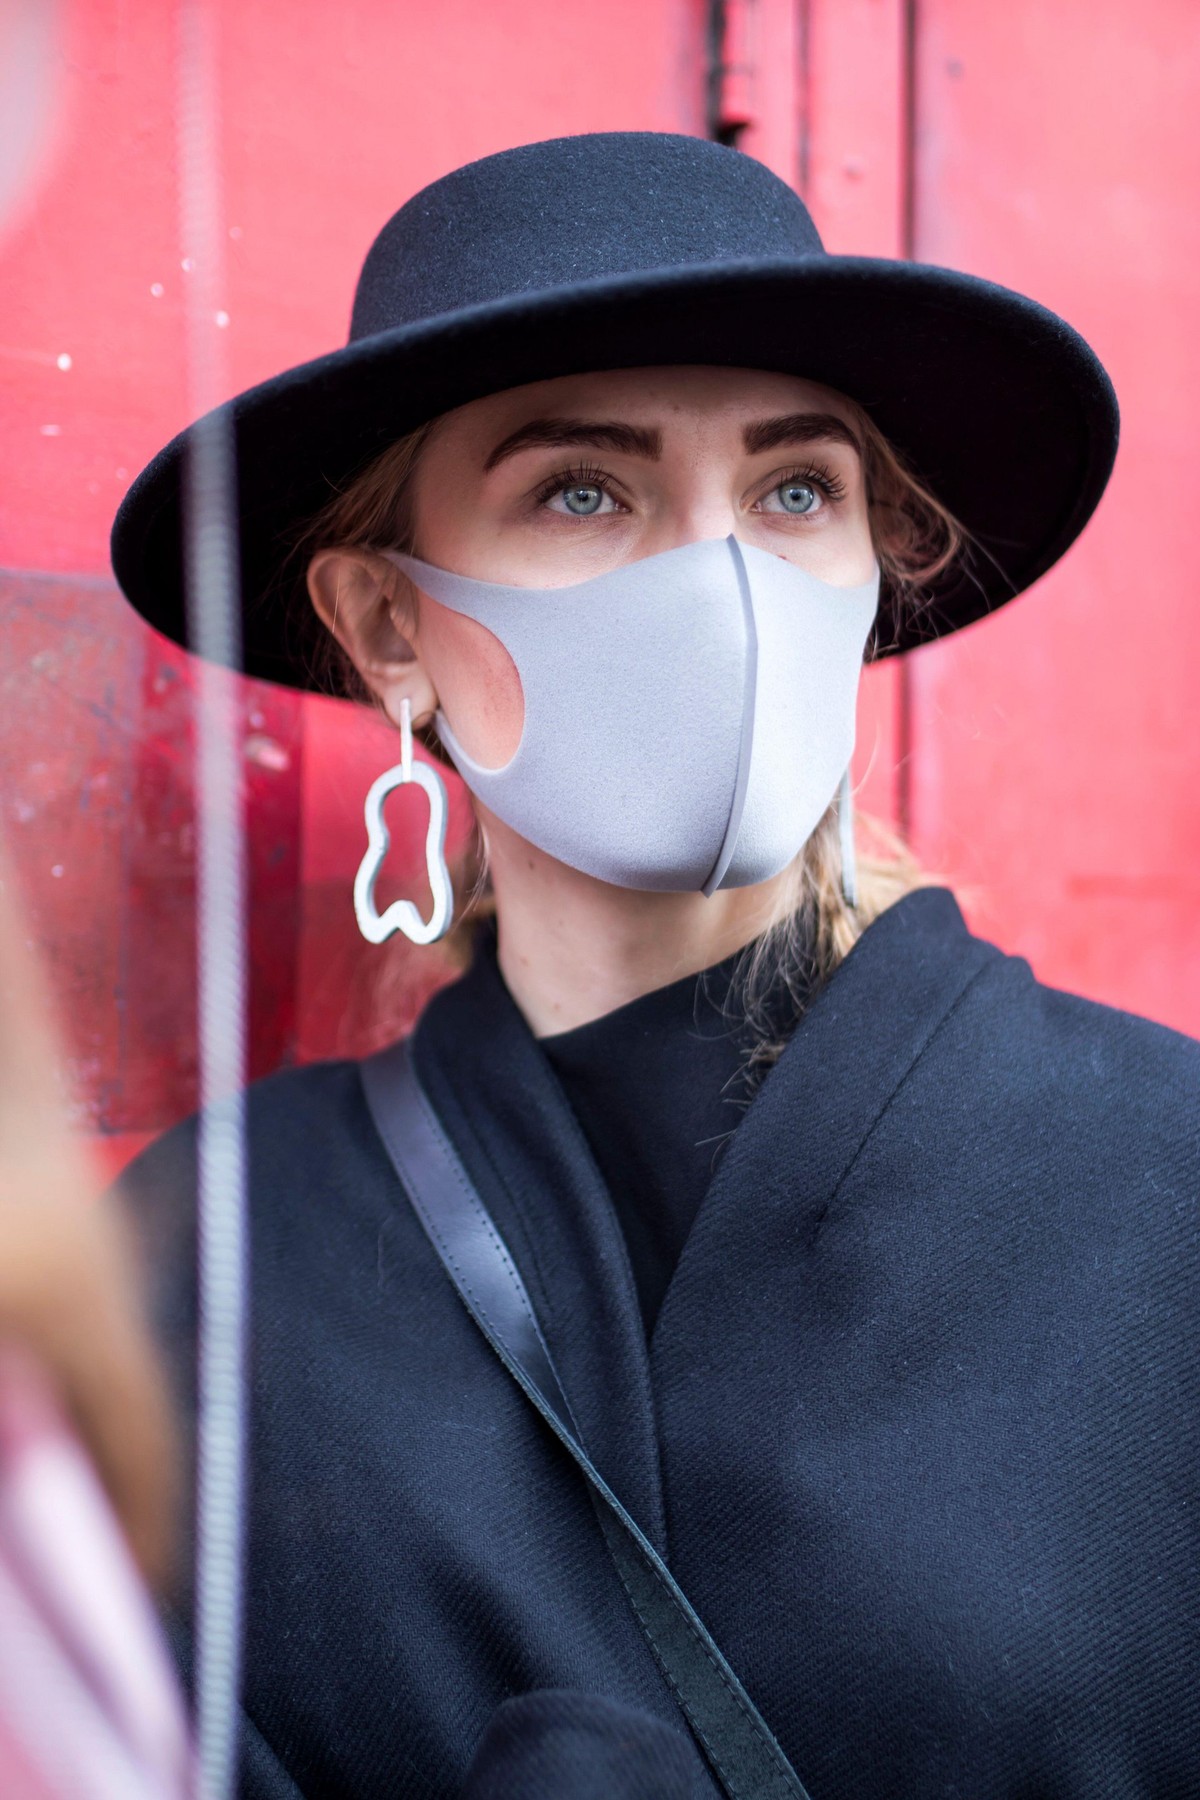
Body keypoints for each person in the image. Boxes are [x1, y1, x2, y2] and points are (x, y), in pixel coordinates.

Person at [109, 133, 1199, 1798]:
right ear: (387, 623)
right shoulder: (216, 1255)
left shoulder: (1165, 1172)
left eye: (795, 491)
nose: (727, 583)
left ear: (871, 575)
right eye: (583, 489)